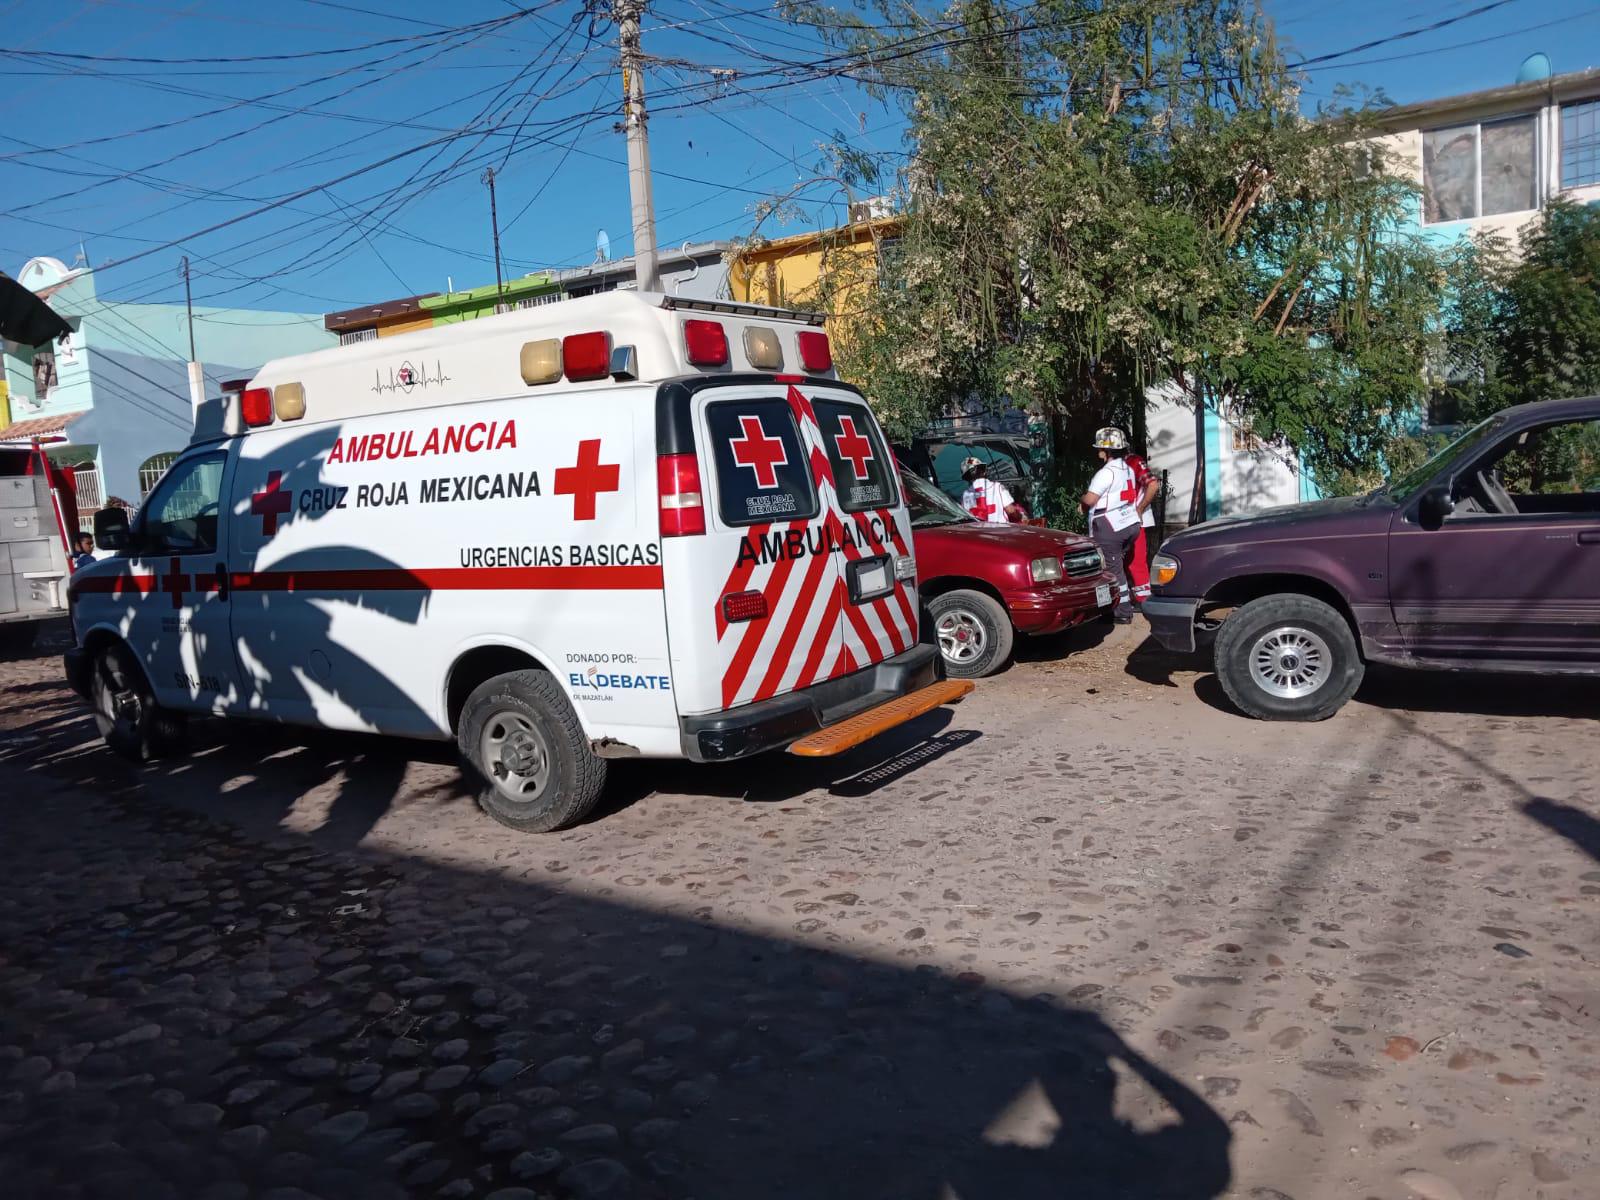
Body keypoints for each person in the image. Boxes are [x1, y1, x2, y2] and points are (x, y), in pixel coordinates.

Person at [1081, 427, 1141, 623]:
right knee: (1114, 568)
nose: (1097, 451)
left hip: (1109, 526)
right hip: (1129, 523)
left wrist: (1081, 501)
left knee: (1110, 571)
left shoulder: (1106, 473)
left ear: (1105, 451)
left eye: (1099, 448)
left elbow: (1090, 500)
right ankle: (1109, 607)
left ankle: (1122, 612)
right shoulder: (1128, 470)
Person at [1123, 445, 1161, 606]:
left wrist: (1140, 508)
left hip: (1135, 519)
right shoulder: (1119, 464)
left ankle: (1143, 599)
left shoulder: (1134, 462)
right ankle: (1130, 597)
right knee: (1124, 561)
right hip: (1122, 520)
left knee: (1136, 560)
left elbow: (1153, 485)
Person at [959, 457, 1025, 524]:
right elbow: (1011, 511)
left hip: (978, 532)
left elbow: (965, 518)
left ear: (967, 478)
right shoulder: (997, 487)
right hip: (1001, 530)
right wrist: (1022, 517)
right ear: (984, 471)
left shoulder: (965, 495)